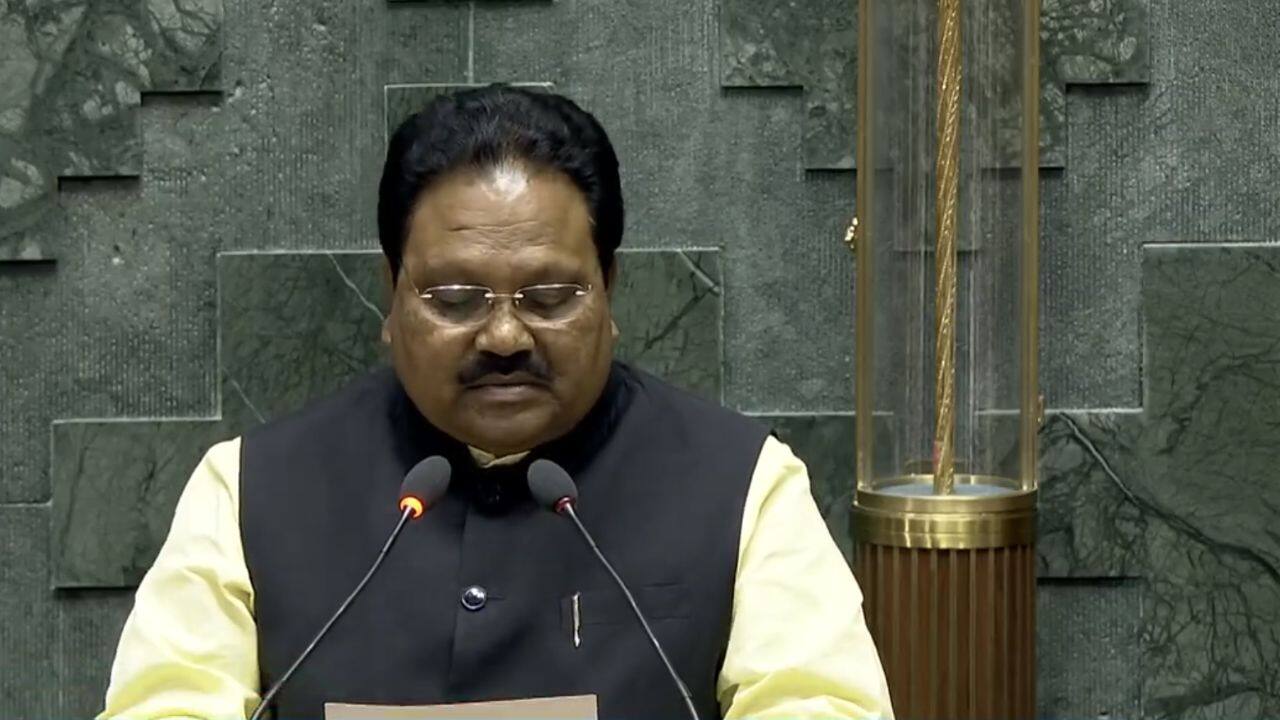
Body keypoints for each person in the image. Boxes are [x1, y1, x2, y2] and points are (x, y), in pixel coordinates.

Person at [99, 85, 894, 720]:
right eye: (454, 298)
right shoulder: (247, 490)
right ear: (393, 295)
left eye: (549, 296)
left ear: (609, 291)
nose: (506, 335)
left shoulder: (746, 485)